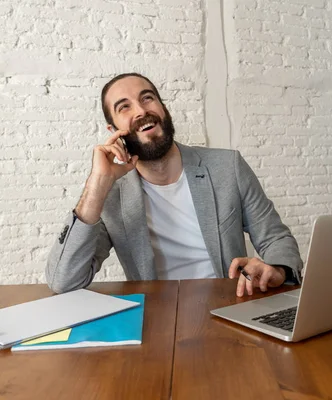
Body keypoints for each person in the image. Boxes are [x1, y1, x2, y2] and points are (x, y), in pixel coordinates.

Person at [46, 73, 303, 297]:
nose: (140, 111)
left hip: (228, 307)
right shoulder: (110, 194)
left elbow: (275, 237)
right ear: (113, 130)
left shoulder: (227, 167)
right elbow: (64, 281)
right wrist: (97, 185)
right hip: (154, 319)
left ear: (163, 109)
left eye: (147, 98)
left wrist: (277, 270)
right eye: (124, 107)